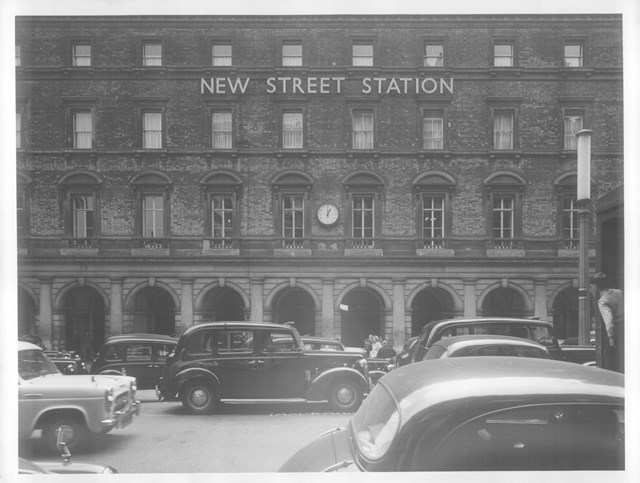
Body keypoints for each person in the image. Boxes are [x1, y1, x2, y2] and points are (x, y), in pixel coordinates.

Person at [589, 272, 624, 373]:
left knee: (610, 358)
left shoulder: (602, 301)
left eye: (591, 286)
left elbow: (608, 320)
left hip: (617, 330)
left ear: (596, 286)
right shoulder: (619, 292)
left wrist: (611, 337)